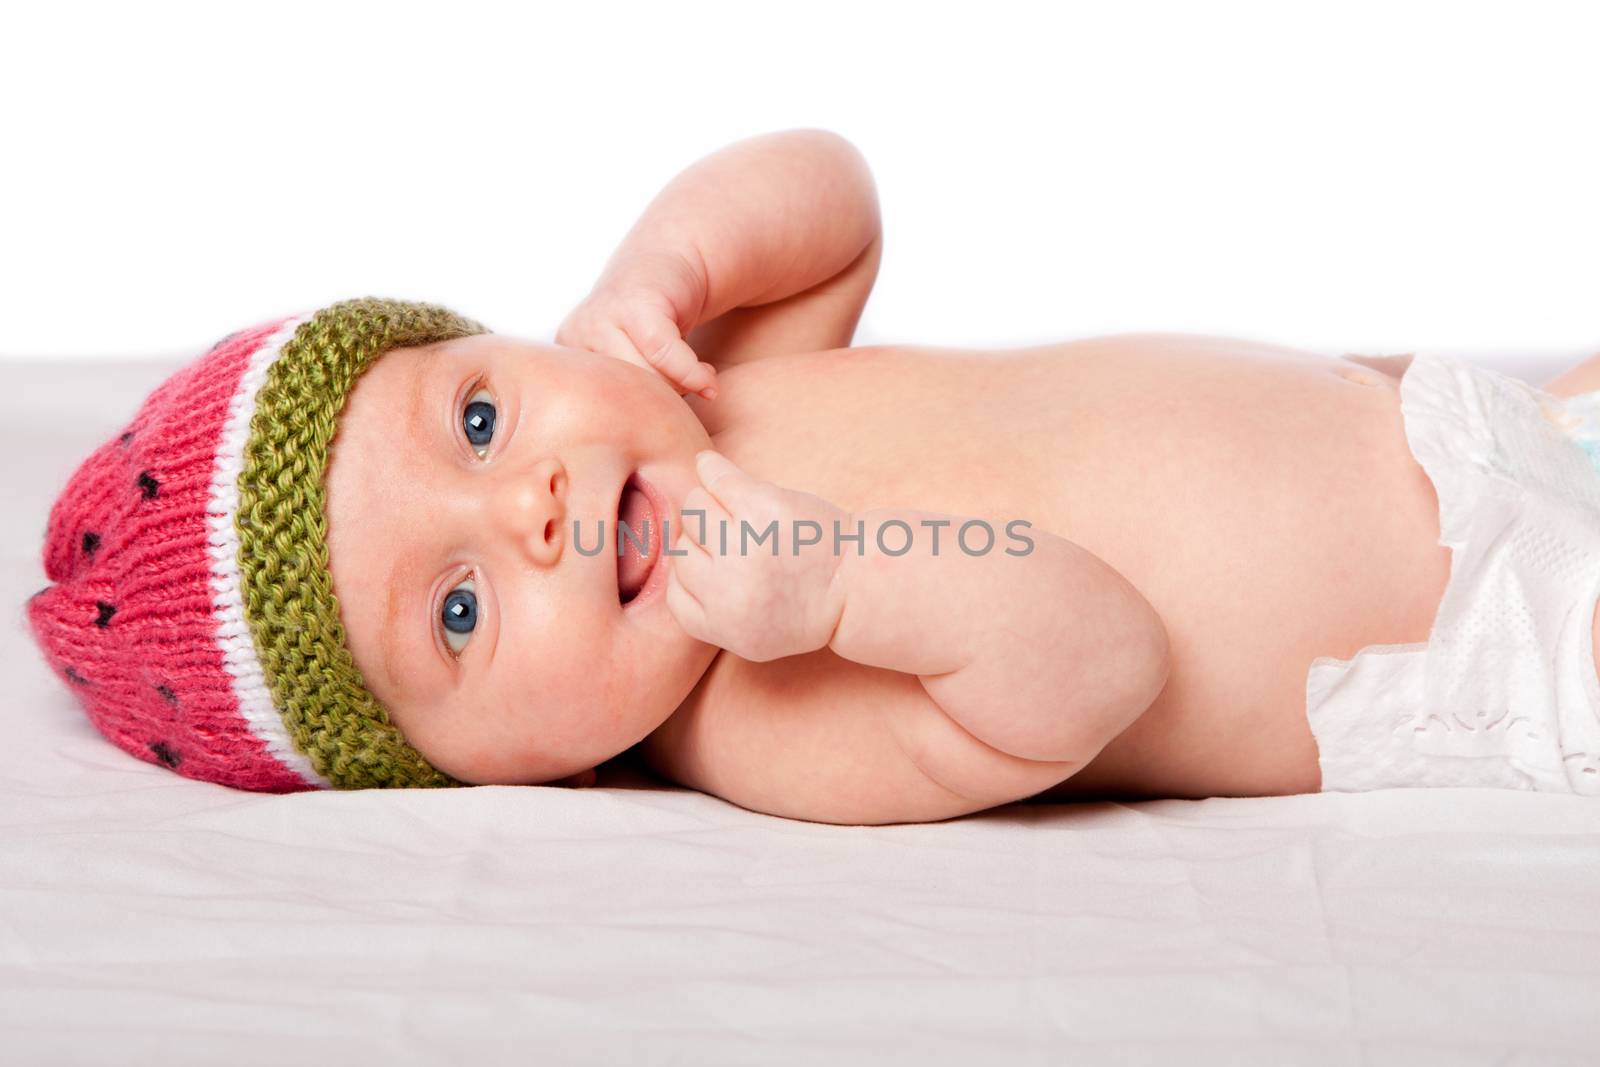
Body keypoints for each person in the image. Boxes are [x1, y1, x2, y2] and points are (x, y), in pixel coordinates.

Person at [26, 129, 1600, 824]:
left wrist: (657, 268)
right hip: (1479, 632)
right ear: (507, 772)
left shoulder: (705, 389)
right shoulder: (755, 719)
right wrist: (840, 587)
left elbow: (832, 195)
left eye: (483, 421)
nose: (531, 512)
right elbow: (1099, 666)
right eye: (458, 611)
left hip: (1458, 421)